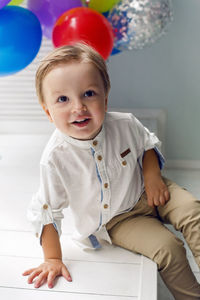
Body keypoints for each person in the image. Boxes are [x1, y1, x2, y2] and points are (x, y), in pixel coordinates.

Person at [22, 43, 200, 299]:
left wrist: (152, 177)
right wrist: (52, 258)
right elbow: (47, 209)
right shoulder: (55, 158)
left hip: (150, 189)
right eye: (63, 99)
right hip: (119, 220)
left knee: (193, 210)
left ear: (105, 98)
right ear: (48, 112)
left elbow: (146, 144)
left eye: (89, 94)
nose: (78, 107)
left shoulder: (125, 124)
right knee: (168, 248)